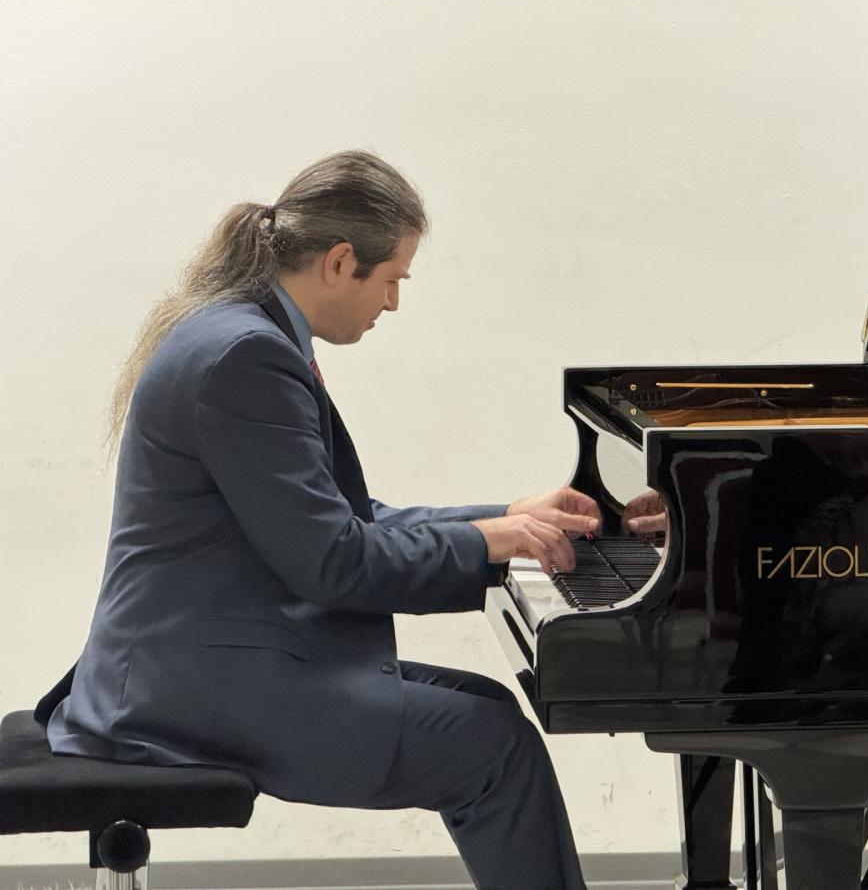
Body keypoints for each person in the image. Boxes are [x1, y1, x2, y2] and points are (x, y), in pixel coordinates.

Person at [35, 150, 595, 889]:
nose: (393, 303)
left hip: (195, 660)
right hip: (191, 690)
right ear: (339, 262)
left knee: (489, 711)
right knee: (492, 746)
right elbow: (334, 563)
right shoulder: (247, 358)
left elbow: (344, 521)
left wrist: (507, 517)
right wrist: (489, 543)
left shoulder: (242, 333)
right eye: (392, 279)